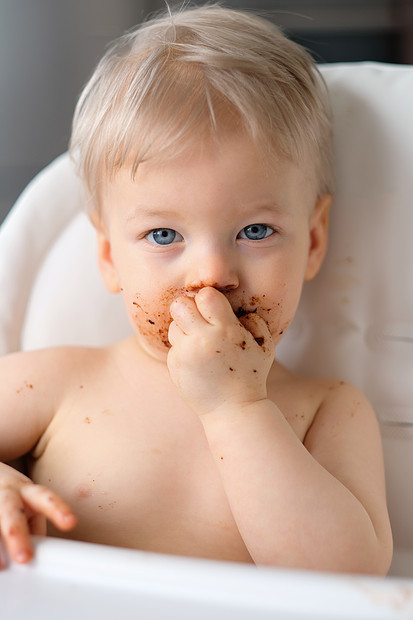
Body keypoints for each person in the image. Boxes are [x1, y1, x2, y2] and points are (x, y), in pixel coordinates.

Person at [0, 4, 392, 573]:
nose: (212, 274)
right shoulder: (56, 381)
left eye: (255, 231)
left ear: (311, 241)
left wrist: (237, 410)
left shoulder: (326, 411)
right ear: (109, 255)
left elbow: (348, 578)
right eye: (164, 234)